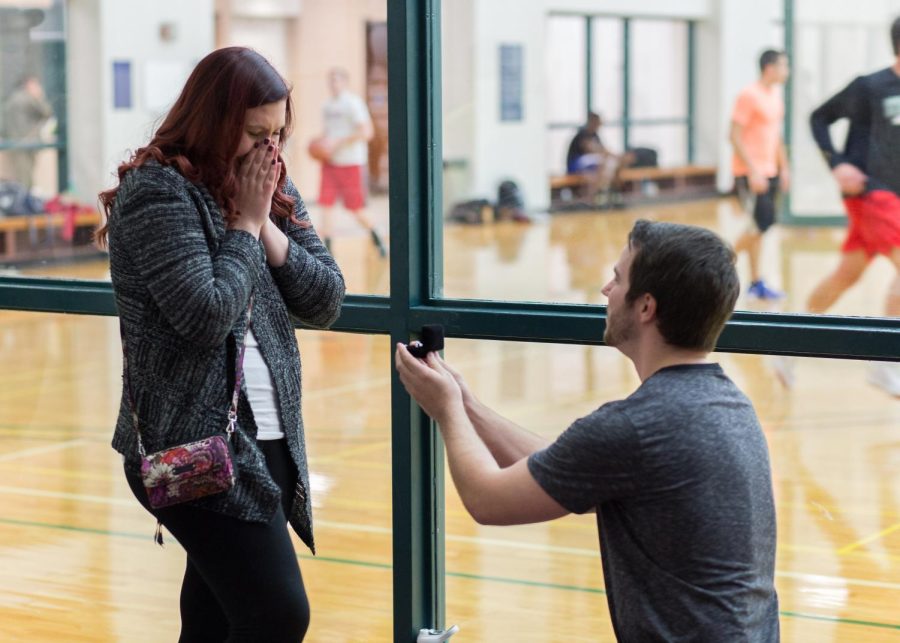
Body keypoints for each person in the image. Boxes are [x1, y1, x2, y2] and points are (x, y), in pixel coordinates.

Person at [396, 220, 780, 641]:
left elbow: (487, 500)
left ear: (646, 307)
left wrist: (447, 411)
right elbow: (564, 468)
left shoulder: (635, 427)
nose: (605, 290)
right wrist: (468, 405)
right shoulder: (729, 405)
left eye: (617, 278)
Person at [97, 47, 346, 641]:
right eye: (254, 131)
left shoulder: (269, 184)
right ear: (212, 118)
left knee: (213, 616)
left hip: (271, 439)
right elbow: (205, 315)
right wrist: (242, 226)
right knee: (279, 614)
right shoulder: (158, 193)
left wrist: (265, 226)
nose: (269, 148)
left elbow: (328, 298)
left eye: (278, 131)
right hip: (193, 445)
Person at [792, 17, 900, 397]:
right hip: (871, 193)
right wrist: (836, 162)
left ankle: (786, 344)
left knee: (845, 276)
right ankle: (886, 363)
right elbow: (818, 117)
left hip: (894, 197)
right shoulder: (869, 87)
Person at [730, 49, 791, 300]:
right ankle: (716, 260)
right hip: (750, 173)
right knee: (761, 224)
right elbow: (733, 136)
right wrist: (753, 171)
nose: (787, 71)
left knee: (759, 228)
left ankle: (756, 282)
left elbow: (775, 136)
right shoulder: (749, 95)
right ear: (770, 68)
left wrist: (784, 167)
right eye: (784, 66)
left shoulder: (775, 96)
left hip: (770, 171)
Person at [314, 67, 387, 257]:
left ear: (345, 82)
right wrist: (320, 144)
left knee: (356, 209)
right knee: (326, 204)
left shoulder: (353, 104)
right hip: (330, 162)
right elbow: (328, 133)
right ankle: (327, 249)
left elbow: (367, 132)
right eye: (331, 80)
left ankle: (377, 236)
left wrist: (339, 142)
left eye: (337, 80)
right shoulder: (326, 105)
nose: (334, 84)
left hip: (351, 163)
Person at [565, 112, 634, 208]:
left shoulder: (595, 135)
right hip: (575, 164)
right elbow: (594, 149)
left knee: (611, 165)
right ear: (592, 122)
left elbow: (603, 150)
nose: (599, 126)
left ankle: (611, 193)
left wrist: (618, 157)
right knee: (604, 164)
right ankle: (596, 196)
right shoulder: (583, 134)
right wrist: (616, 156)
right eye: (598, 123)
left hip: (590, 165)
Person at [2, 75, 54, 192]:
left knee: (22, 172)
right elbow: (47, 112)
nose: (38, 88)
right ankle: (25, 201)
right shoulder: (27, 98)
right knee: (26, 175)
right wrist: (39, 97)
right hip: (26, 141)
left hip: (15, 141)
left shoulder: (12, 98)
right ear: (29, 85)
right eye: (36, 85)